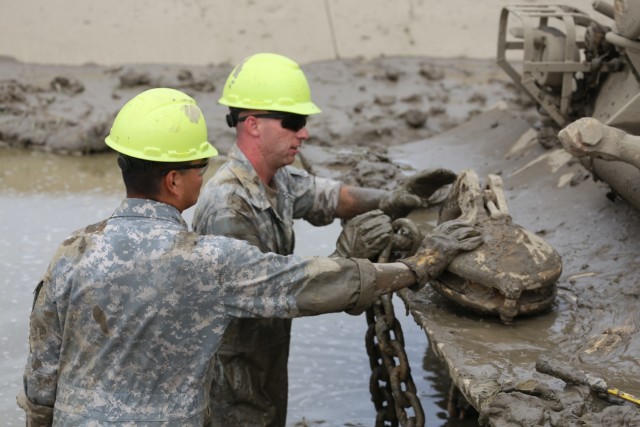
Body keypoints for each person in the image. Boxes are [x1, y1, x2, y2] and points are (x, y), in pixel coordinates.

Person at [16, 87, 481, 426]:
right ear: (175, 181)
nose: (207, 174)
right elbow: (303, 283)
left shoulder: (72, 250)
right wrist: (416, 267)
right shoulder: (209, 262)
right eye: (200, 167)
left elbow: (42, 373)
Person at [191, 52, 463, 427]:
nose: (304, 133)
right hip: (232, 376)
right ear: (252, 125)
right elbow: (273, 294)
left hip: (261, 360)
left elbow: (328, 196)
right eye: (294, 121)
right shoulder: (228, 208)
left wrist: (390, 199)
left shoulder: (273, 178)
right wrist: (396, 264)